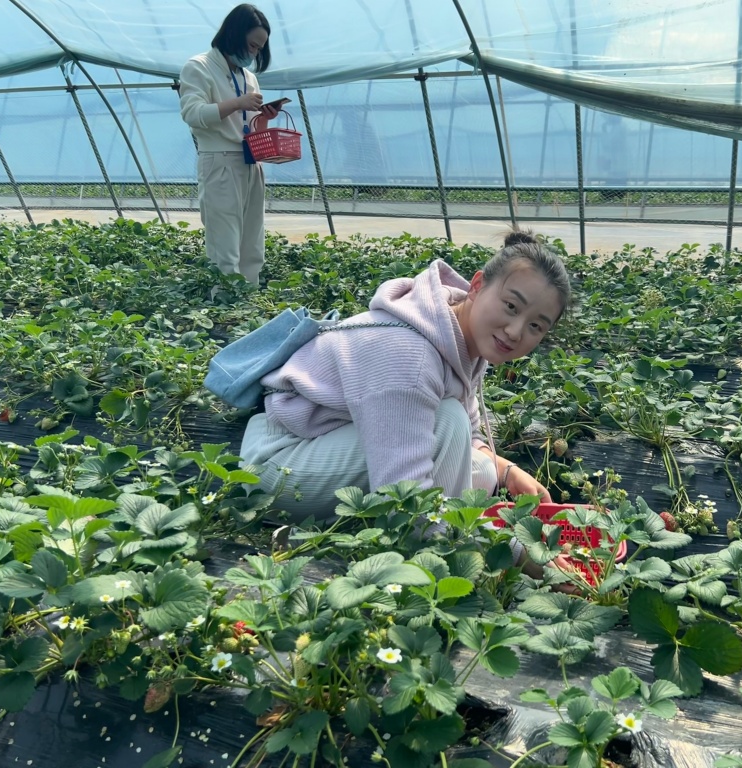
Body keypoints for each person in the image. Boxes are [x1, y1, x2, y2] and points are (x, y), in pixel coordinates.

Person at [239, 230, 572, 522]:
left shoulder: (464, 337)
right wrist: (518, 552)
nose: (515, 331)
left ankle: (432, 525)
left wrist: (507, 471)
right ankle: (438, 538)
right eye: (511, 306)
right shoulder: (411, 355)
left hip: (327, 440)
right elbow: (403, 493)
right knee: (447, 423)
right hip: (276, 464)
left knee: (483, 470)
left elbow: (469, 435)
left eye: (535, 325)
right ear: (477, 285)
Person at [179, 4, 280, 286]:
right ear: (234, 34)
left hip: (250, 162)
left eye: (259, 49)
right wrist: (237, 103)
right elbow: (193, 114)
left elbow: (249, 127)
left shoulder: (248, 77)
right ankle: (225, 307)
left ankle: (249, 300)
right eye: (252, 45)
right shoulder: (199, 67)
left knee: (252, 243)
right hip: (220, 160)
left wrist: (264, 118)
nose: (254, 53)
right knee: (224, 244)